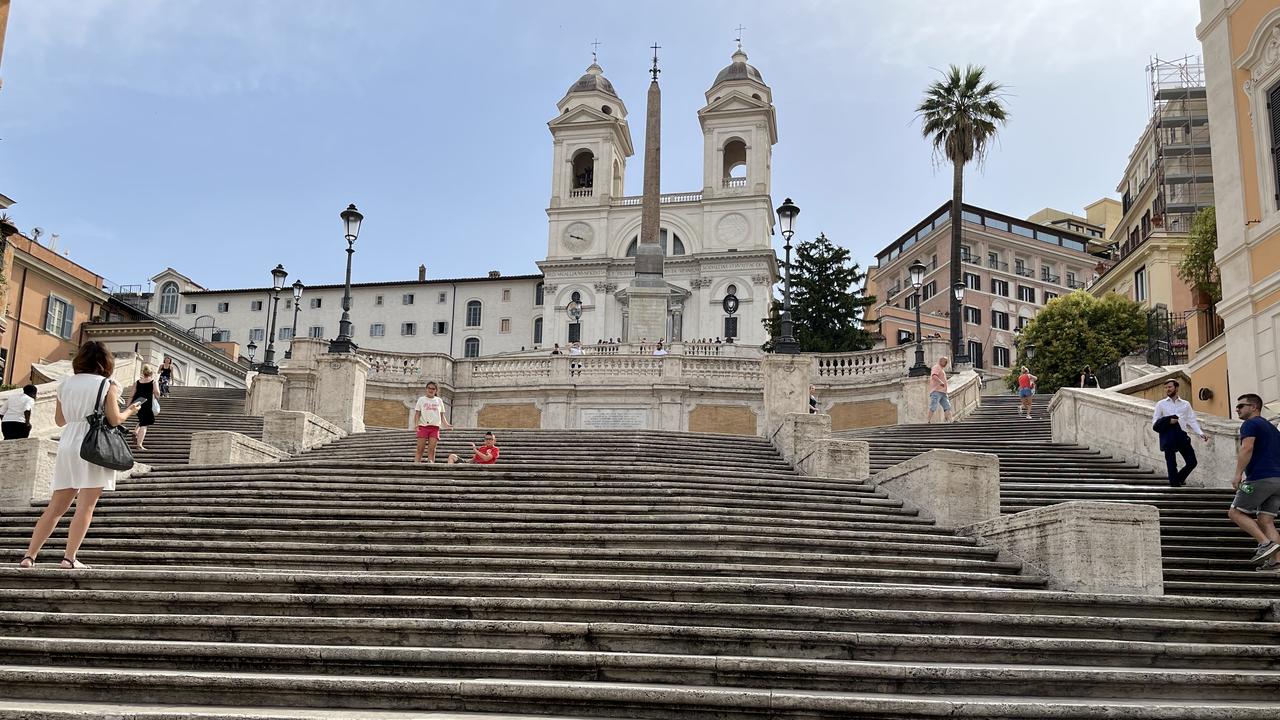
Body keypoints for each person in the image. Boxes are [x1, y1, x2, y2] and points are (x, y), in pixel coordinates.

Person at [18, 341, 143, 569]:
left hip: (68, 442)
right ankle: (69, 558)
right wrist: (130, 411)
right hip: (93, 444)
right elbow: (115, 420)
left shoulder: (64, 385)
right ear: (105, 362)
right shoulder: (107, 384)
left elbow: (59, 420)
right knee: (85, 506)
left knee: (55, 506)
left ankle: (29, 556)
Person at [1228, 393, 1280, 571]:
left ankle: (1264, 544)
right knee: (1266, 520)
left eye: (1241, 406)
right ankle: (1276, 562)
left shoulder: (1250, 424)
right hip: (1277, 481)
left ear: (1254, 407)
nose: (1237, 409)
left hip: (1260, 478)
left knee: (1235, 513)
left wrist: (1237, 474)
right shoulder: (1272, 428)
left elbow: (1247, 448)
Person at [1152, 379, 1208, 487]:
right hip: (1168, 435)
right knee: (1171, 462)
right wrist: (1168, 421)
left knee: (1192, 462)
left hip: (1181, 435)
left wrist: (1200, 433)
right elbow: (1155, 421)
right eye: (1166, 387)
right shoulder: (1161, 404)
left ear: (1176, 388)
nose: (1167, 389)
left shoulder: (1186, 404)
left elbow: (1191, 420)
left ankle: (1178, 479)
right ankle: (1174, 484)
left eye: (1170, 387)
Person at [411, 381, 452, 464]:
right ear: (426, 389)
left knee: (432, 449)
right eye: (429, 388)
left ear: (436, 390)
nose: (431, 390)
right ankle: (415, 464)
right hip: (423, 427)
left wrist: (447, 424)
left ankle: (431, 464)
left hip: (435, 428)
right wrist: (416, 425)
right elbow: (417, 414)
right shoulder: (421, 400)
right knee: (420, 448)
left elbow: (442, 415)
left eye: (433, 389)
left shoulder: (439, 400)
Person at [130, 365, 158, 451]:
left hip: (138, 403)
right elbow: (157, 393)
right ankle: (139, 444)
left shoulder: (137, 382)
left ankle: (135, 432)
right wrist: (156, 396)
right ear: (151, 373)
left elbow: (132, 394)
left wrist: (129, 405)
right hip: (147, 403)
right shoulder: (153, 382)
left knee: (143, 420)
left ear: (143, 373)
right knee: (145, 424)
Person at [928, 357, 952, 423]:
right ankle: (928, 420)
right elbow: (934, 376)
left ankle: (950, 420)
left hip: (943, 392)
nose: (946, 363)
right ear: (941, 361)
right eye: (945, 362)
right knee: (933, 406)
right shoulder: (936, 367)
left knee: (947, 406)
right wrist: (940, 382)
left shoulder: (941, 369)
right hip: (937, 391)